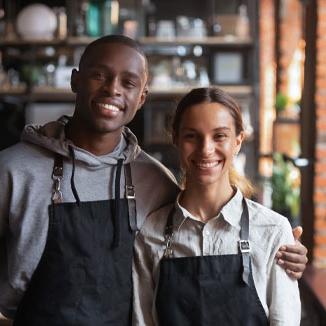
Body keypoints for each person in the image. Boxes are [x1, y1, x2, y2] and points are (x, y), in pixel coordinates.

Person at [0, 35, 305, 325]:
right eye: (99, 76)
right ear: (75, 80)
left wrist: (286, 250)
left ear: (141, 97)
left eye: (128, 82)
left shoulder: (154, 180)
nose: (113, 90)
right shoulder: (13, 169)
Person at [133, 87, 301, 325]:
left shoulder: (273, 230)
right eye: (192, 136)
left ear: (238, 141)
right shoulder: (151, 232)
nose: (206, 149)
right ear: (176, 139)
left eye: (219, 136)